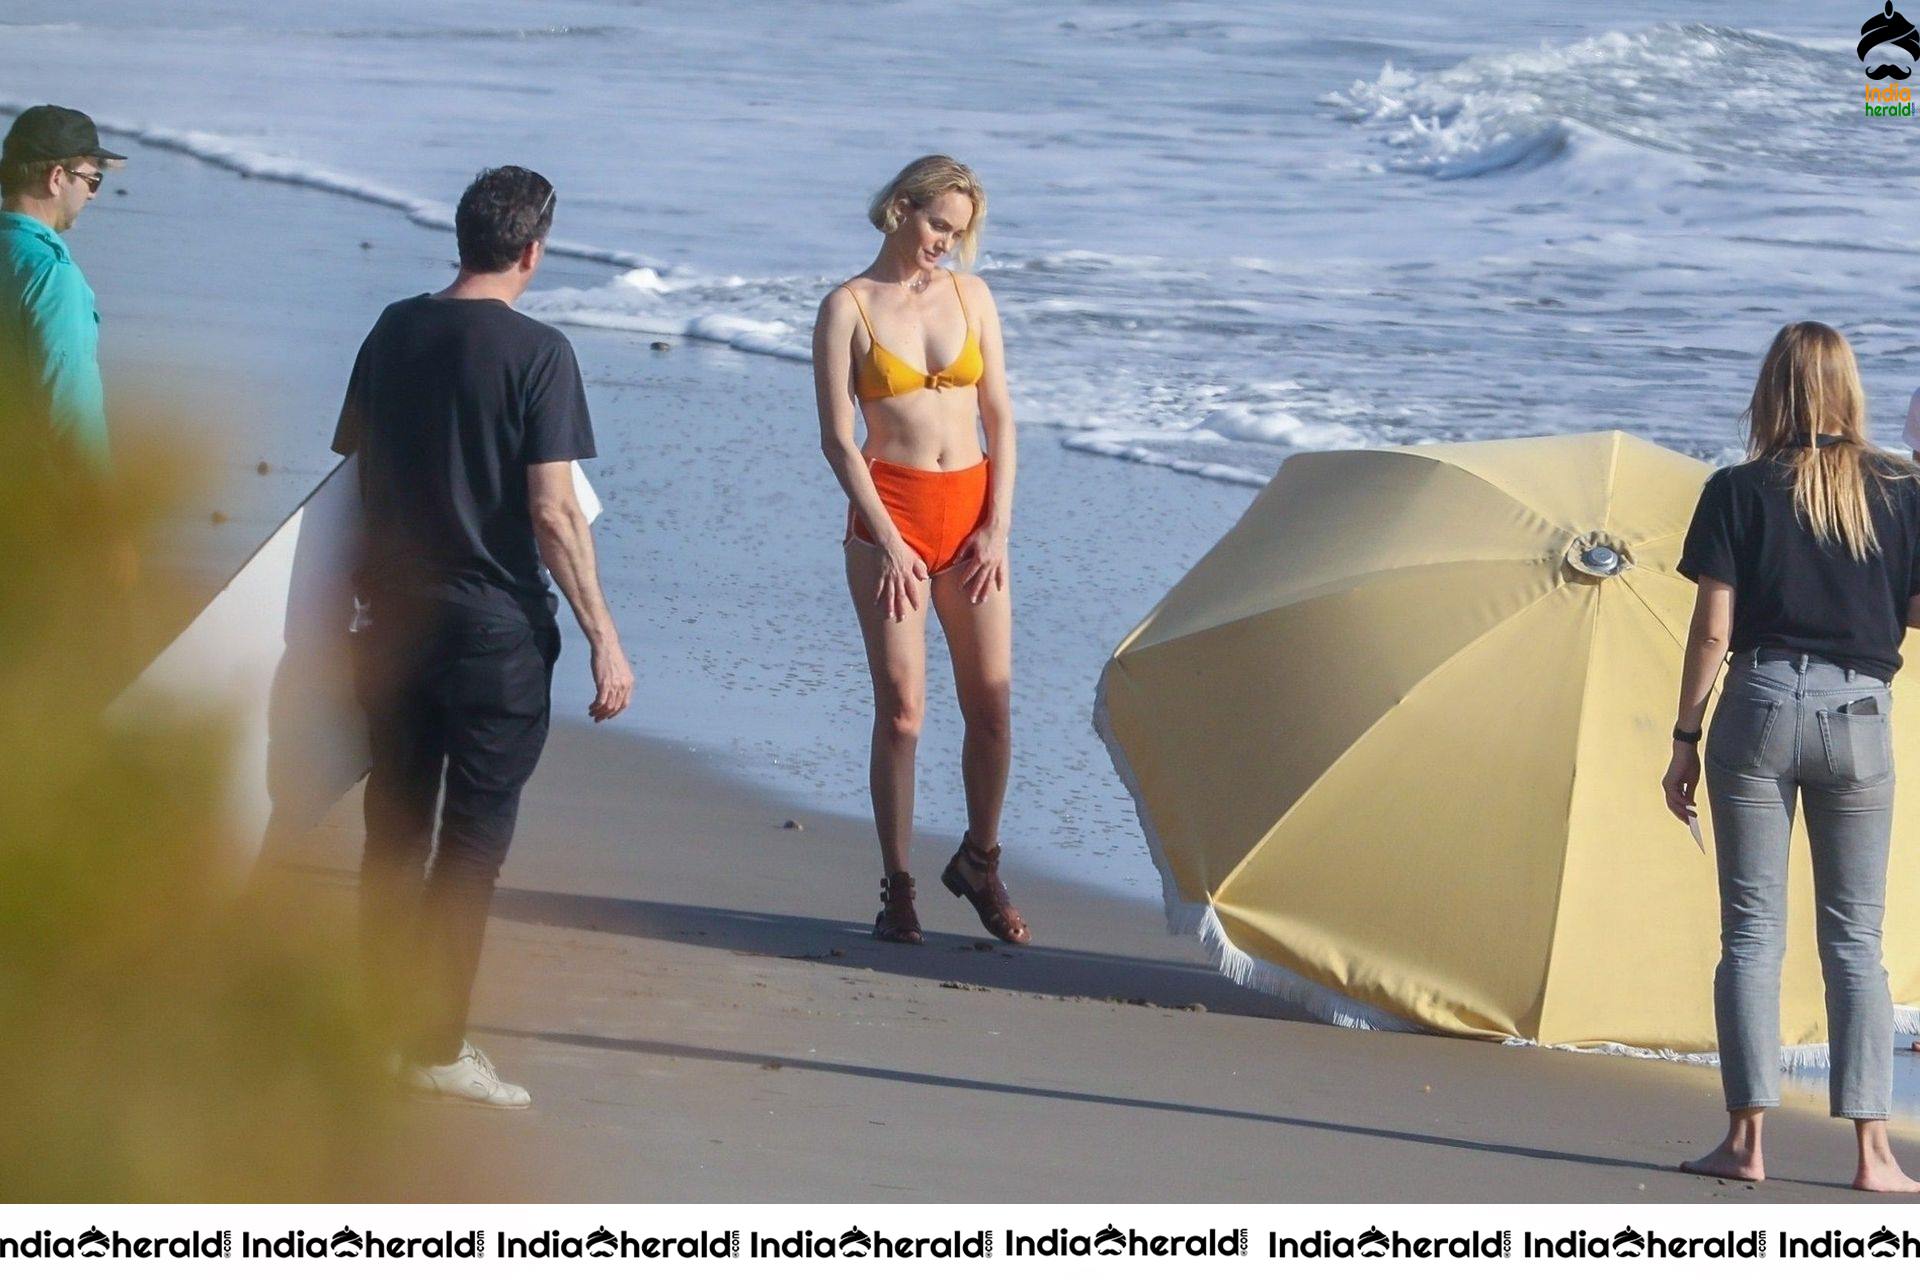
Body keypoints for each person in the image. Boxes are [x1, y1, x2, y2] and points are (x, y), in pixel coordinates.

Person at [333, 165, 634, 1108]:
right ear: (534, 251)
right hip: (492, 634)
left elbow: (352, 466)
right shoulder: (540, 353)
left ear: (461, 237)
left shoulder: (393, 328)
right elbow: (553, 512)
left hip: (394, 625)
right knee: (469, 849)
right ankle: (432, 1047)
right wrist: (604, 636)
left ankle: (369, 1034)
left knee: (392, 832)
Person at [1664, 321, 1920, 1192]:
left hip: (1762, 705)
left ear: (1771, 390)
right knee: (1856, 941)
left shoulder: (1737, 489)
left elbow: (1713, 628)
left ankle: (1746, 1144)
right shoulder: (1899, 489)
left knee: (1752, 933)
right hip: (1858, 713)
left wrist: (1684, 738)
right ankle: (1875, 1156)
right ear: (1851, 390)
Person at [811, 155, 1029, 947]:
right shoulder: (847, 308)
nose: (946, 243)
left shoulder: (973, 297)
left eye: (958, 231)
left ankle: (979, 860)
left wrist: (998, 523)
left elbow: (1000, 415)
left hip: (970, 514)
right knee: (903, 715)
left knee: (993, 710)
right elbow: (839, 440)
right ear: (901, 208)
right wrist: (892, 542)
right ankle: (898, 887)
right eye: (939, 224)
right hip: (888, 516)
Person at [0, 104, 123, 475]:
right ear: (57, 177)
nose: (92, 195)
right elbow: (72, 417)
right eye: (91, 179)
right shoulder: (51, 276)